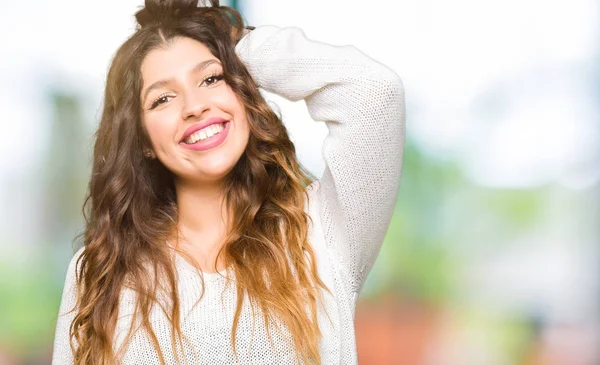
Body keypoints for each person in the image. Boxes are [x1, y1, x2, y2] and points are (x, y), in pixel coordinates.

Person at [51, 0, 405, 364]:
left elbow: (375, 92)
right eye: (163, 98)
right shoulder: (101, 273)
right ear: (142, 141)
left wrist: (237, 42)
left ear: (242, 91)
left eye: (211, 78)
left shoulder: (318, 233)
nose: (195, 106)